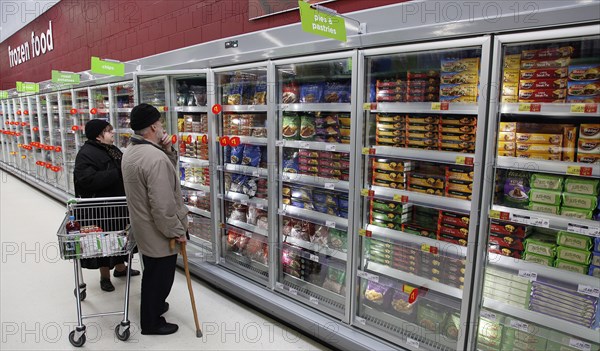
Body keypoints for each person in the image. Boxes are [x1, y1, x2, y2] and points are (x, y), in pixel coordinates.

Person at [121, 103, 188, 336]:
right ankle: (151, 322)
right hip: (158, 230)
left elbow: (161, 175)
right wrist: (176, 230)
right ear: (152, 127)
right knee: (159, 278)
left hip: (142, 226)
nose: (162, 127)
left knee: (152, 272)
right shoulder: (154, 158)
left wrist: (167, 150)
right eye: (159, 123)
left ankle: (157, 306)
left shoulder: (132, 151)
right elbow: (163, 204)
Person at [73, 119, 140, 292]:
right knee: (104, 242)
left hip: (118, 205)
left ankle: (120, 268)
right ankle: (104, 277)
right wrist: (116, 173)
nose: (112, 133)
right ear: (98, 135)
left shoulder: (112, 149)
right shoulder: (86, 154)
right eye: (109, 131)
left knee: (121, 237)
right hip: (100, 208)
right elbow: (87, 180)